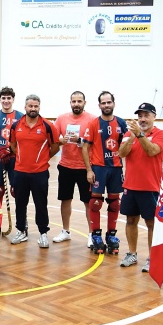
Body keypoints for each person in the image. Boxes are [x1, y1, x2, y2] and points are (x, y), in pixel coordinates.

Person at [117, 102, 163, 272]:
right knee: (131, 220)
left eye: (146, 115)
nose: (143, 119)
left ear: (154, 117)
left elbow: (152, 151)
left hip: (151, 187)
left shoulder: (161, 134)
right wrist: (131, 137)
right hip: (130, 186)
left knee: (151, 223)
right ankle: (132, 253)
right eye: (140, 116)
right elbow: (121, 154)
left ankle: (153, 258)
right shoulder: (129, 134)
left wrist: (139, 135)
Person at [81, 91, 129, 255]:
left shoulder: (122, 123)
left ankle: (111, 236)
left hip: (116, 169)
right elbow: (85, 147)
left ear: (113, 104)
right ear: (99, 105)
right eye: (103, 103)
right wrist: (88, 170)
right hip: (99, 169)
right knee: (95, 202)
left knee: (115, 203)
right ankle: (96, 236)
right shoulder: (94, 124)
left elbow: (128, 146)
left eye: (109, 102)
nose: (106, 105)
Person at [9, 94, 59, 248]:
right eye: (30, 106)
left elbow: (55, 146)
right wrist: (21, 159)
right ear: (25, 107)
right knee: (20, 203)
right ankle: (21, 231)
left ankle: (43, 233)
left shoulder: (48, 126)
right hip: (20, 172)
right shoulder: (16, 125)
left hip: (40, 173)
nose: (33, 109)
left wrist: (42, 160)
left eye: (36, 106)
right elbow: (12, 145)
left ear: (39, 107)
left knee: (41, 204)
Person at [51, 91, 95, 247]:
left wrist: (81, 140)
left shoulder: (92, 119)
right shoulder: (62, 118)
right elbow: (54, 139)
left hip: (85, 167)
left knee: (88, 202)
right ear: (70, 102)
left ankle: (91, 234)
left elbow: (95, 142)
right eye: (74, 101)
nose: (76, 104)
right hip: (65, 166)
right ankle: (65, 231)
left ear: (84, 102)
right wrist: (61, 140)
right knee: (65, 199)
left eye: (79, 101)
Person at [0, 86, 24, 201]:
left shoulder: (21, 116)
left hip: (14, 157)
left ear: (13, 99)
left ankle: (21, 218)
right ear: (0, 100)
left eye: (9, 98)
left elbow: (22, 139)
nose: (6, 101)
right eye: (3, 98)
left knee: (16, 190)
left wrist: (9, 150)